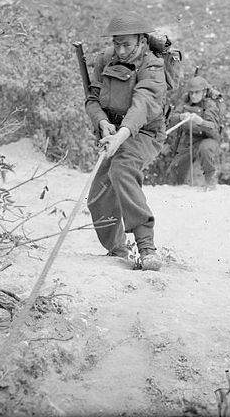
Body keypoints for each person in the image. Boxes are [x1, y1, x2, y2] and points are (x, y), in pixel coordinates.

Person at [85, 14, 167, 271]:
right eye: (117, 44)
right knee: (98, 196)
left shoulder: (152, 67)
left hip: (144, 133)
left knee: (122, 169)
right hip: (113, 133)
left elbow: (142, 105)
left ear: (142, 41)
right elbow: (92, 100)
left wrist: (121, 135)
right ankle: (119, 249)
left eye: (127, 45)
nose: (121, 51)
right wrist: (102, 123)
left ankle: (146, 248)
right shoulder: (104, 60)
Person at [168, 76, 222, 189]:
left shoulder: (210, 104)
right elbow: (171, 118)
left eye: (197, 92)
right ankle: (178, 186)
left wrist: (201, 121)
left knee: (205, 149)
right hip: (190, 140)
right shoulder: (185, 101)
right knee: (176, 166)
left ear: (204, 92)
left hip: (209, 140)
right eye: (191, 93)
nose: (193, 96)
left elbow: (214, 129)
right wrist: (180, 117)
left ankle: (210, 182)